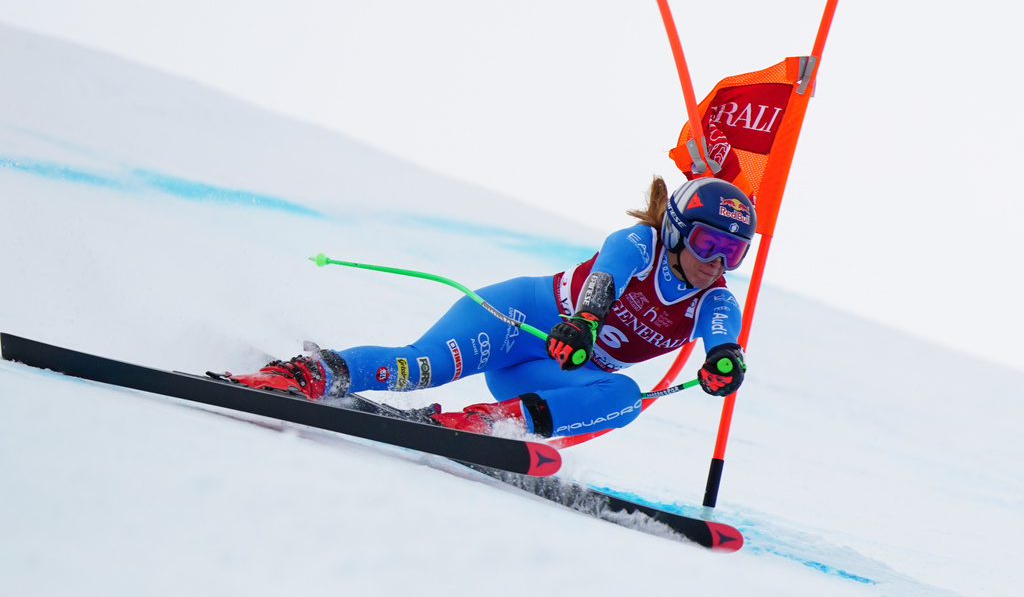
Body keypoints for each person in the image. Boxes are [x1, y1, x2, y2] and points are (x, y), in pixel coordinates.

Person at [226, 175, 755, 438]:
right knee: (423, 366)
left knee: (625, 398)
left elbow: (724, 346)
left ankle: (482, 425)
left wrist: (724, 366)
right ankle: (304, 374)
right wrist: (584, 322)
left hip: (549, 373)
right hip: (515, 322)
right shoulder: (640, 243)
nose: (717, 262)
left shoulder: (715, 301)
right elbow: (604, 282)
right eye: (708, 243)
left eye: (733, 252)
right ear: (677, 231)